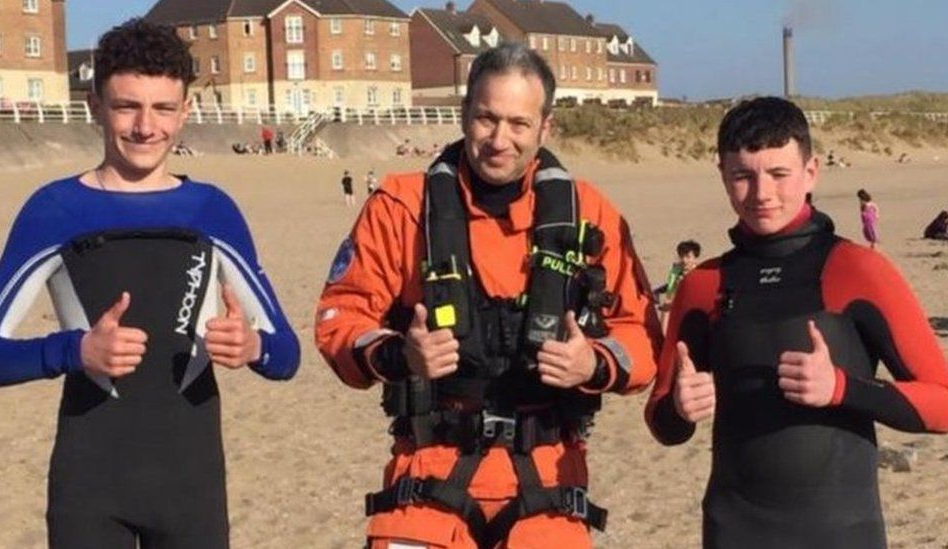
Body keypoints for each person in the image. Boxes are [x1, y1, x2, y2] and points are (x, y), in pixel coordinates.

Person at [315, 42, 661, 549]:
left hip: (548, 476)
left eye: (519, 124)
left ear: (546, 128)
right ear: (463, 114)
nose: (500, 139)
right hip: (429, 469)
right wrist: (397, 354)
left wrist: (594, 363)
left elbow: (645, 337)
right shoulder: (401, 206)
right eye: (486, 119)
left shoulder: (591, 214)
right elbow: (338, 315)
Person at [0, 19, 300, 549]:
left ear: (186, 112)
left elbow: (287, 355)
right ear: (95, 107)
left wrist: (254, 346)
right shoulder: (55, 209)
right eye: (127, 107)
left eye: (164, 108)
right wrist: (74, 349)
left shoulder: (212, 211)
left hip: (192, 489)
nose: (147, 127)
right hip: (91, 489)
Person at [644, 96, 948, 549]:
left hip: (842, 533)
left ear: (812, 171)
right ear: (723, 175)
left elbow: (941, 403)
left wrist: (843, 389)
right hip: (734, 530)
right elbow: (662, 422)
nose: (761, 193)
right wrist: (680, 409)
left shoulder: (857, 270)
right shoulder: (703, 284)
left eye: (779, 174)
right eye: (743, 175)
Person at [655, 239, 701, 328]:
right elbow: (670, 291)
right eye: (681, 256)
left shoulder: (700, 272)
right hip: (677, 303)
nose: (684, 260)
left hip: (693, 305)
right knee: (666, 308)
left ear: (695, 258)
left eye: (688, 257)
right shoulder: (676, 270)